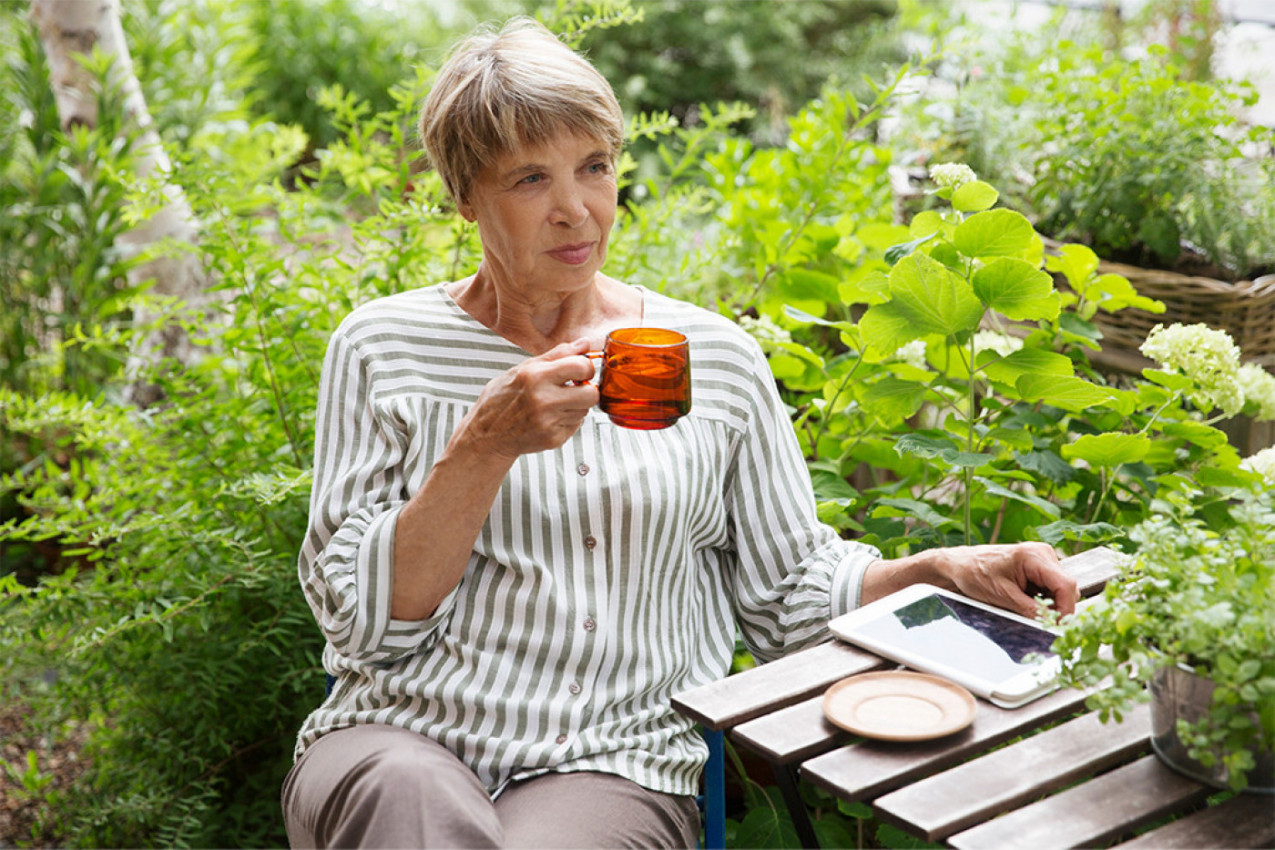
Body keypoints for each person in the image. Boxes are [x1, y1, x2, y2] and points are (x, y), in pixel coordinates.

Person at [280, 17, 1078, 850]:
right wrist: (483, 446)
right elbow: (362, 623)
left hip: (606, 760)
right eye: (528, 180)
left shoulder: (715, 358)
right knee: (408, 799)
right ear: (462, 196)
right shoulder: (381, 347)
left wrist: (937, 570)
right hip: (399, 736)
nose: (574, 209)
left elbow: (787, 591)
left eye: (594, 168)